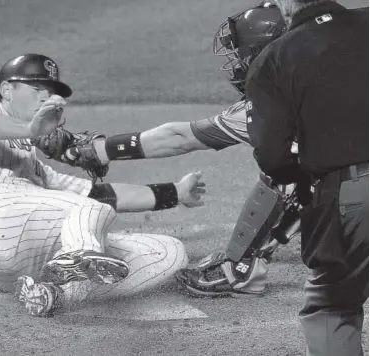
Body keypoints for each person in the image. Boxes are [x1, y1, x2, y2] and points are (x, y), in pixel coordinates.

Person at [49, 2, 298, 297]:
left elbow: (180, 137)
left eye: (242, 53)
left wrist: (102, 150)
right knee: (312, 162)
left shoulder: (268, 108)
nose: (238, 62)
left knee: (285, 170)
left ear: (261, 54)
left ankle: (238, 269)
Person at [0, 53, 207, 317]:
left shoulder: (35, 169)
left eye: (51, 92)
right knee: (92, 210)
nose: (45, 97)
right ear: (6, 90)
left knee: (167, 253)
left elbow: (102, 194)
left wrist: (176, 192)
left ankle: (54, 294)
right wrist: (30, 130)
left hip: (18, 266)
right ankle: (80, 255)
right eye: (36, 89)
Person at [244, 1, 368, 355]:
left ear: (286, 4)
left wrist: (303, 181)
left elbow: (272, 156)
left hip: (353, 194)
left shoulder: (274, 57)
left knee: (332, 307)